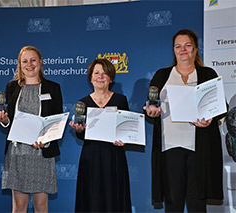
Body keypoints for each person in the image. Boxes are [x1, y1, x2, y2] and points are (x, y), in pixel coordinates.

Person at [143, 29, 226, 212]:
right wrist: (151, 111)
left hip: (200, 148)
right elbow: (152, 103)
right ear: (173, 50)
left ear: (195, 49)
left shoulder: (207, 74)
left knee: (197, 204)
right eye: (178, 46)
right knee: (173, 203)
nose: (183, 50)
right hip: (169, 147)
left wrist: (210, 119)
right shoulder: (161, 75)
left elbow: (221, 107)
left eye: (188, 45)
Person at [0, 46, 63, 212]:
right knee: (19, 207)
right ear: (19, 64)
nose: (29, 64)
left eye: (33, 60)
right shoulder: (12, 87)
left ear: (40, 62)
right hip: (18, 152)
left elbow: (56, 121)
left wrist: (45, 141)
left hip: (42, 153)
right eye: (25, 61)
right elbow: (9, 119)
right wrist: (4, 120)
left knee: (40, 206)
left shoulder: (53, 88)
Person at [69, 58, 132, 212]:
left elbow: (126, 128)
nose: (100, 76)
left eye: (104, 73)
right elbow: (82, 136)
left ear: (111, 78)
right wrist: (79, 130)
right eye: (96, 73)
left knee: (114, 198)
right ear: (90, 78)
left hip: (114, 156)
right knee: (92, 199)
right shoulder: (82, 103)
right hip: (92, 157)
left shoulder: (120, 100)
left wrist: (124, 139)